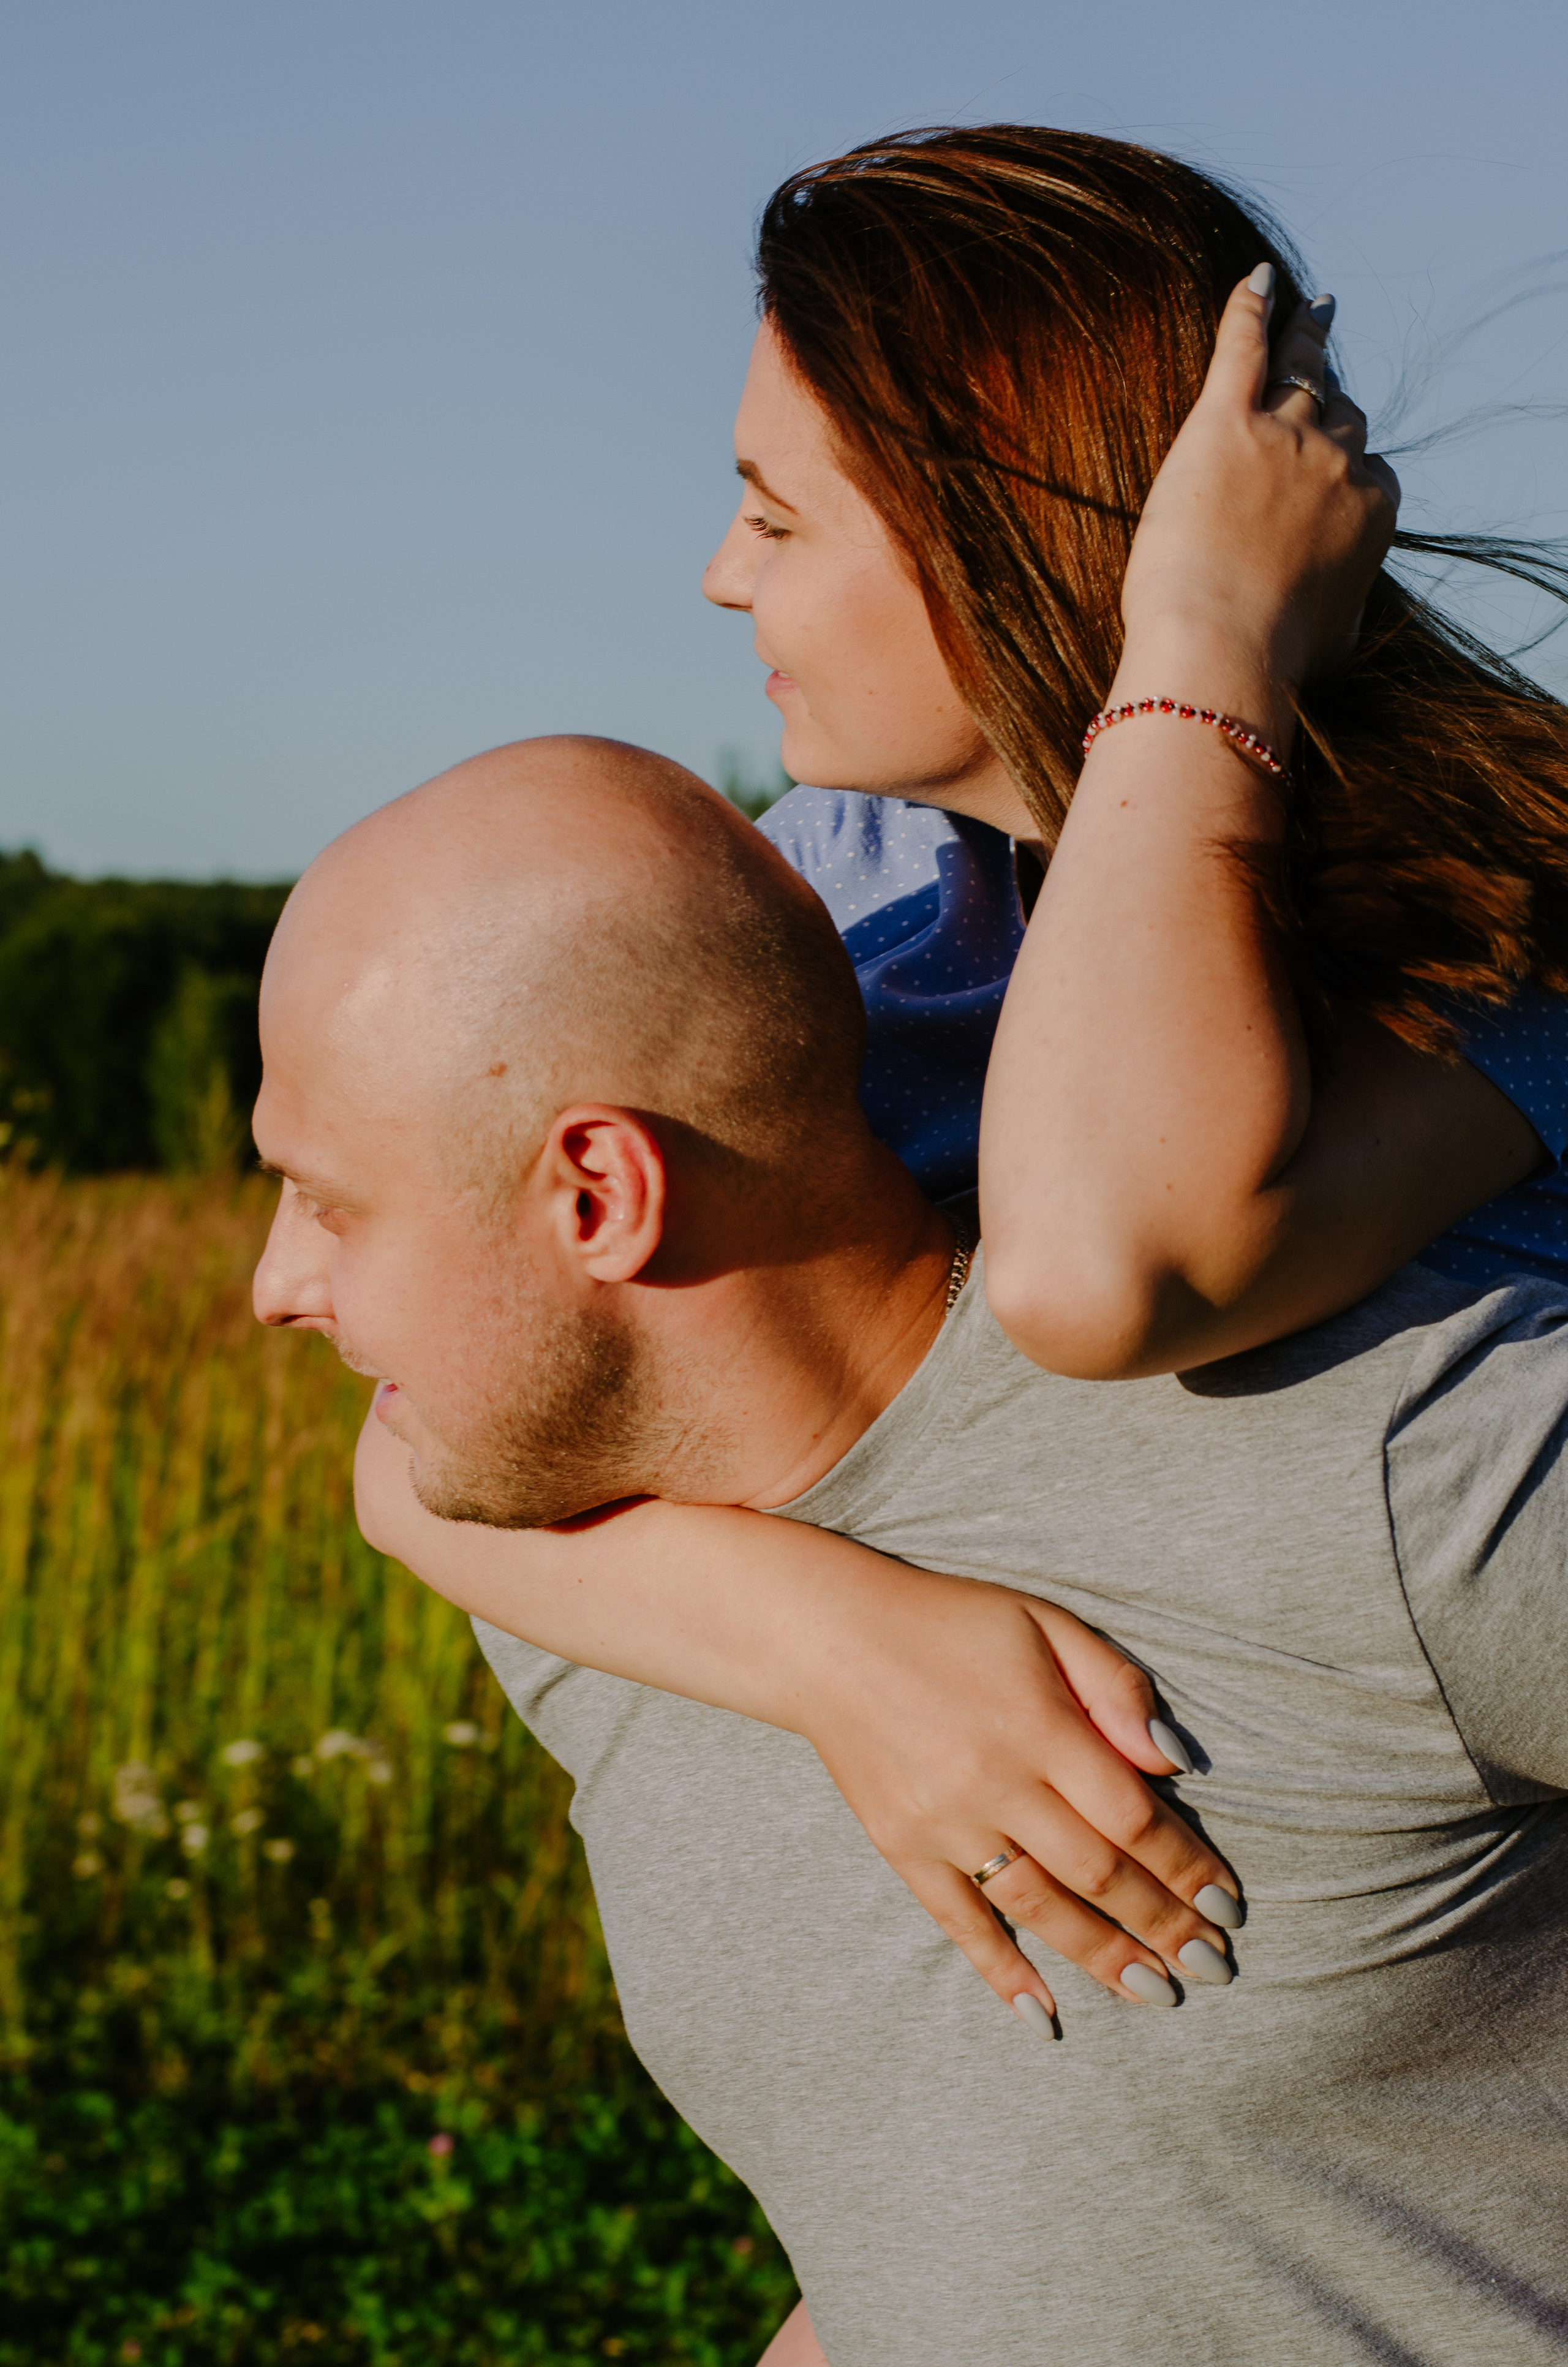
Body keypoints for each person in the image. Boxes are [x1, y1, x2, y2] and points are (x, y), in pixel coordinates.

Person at [355, 126, 1568, 2034]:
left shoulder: (1511, 921)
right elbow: (429, 1433)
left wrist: (1200, 643)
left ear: (994, 528)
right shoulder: (873, 880)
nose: (715, 577)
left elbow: (1101, 1271)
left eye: (776, 514)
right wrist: (843, 1652)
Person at [254, 741, 1568, 2366]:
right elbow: (1026, 2215)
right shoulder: (567, 1585)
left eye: (325, 1201)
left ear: (599, 1193)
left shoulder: (1379, 1469)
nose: (273, 1286)